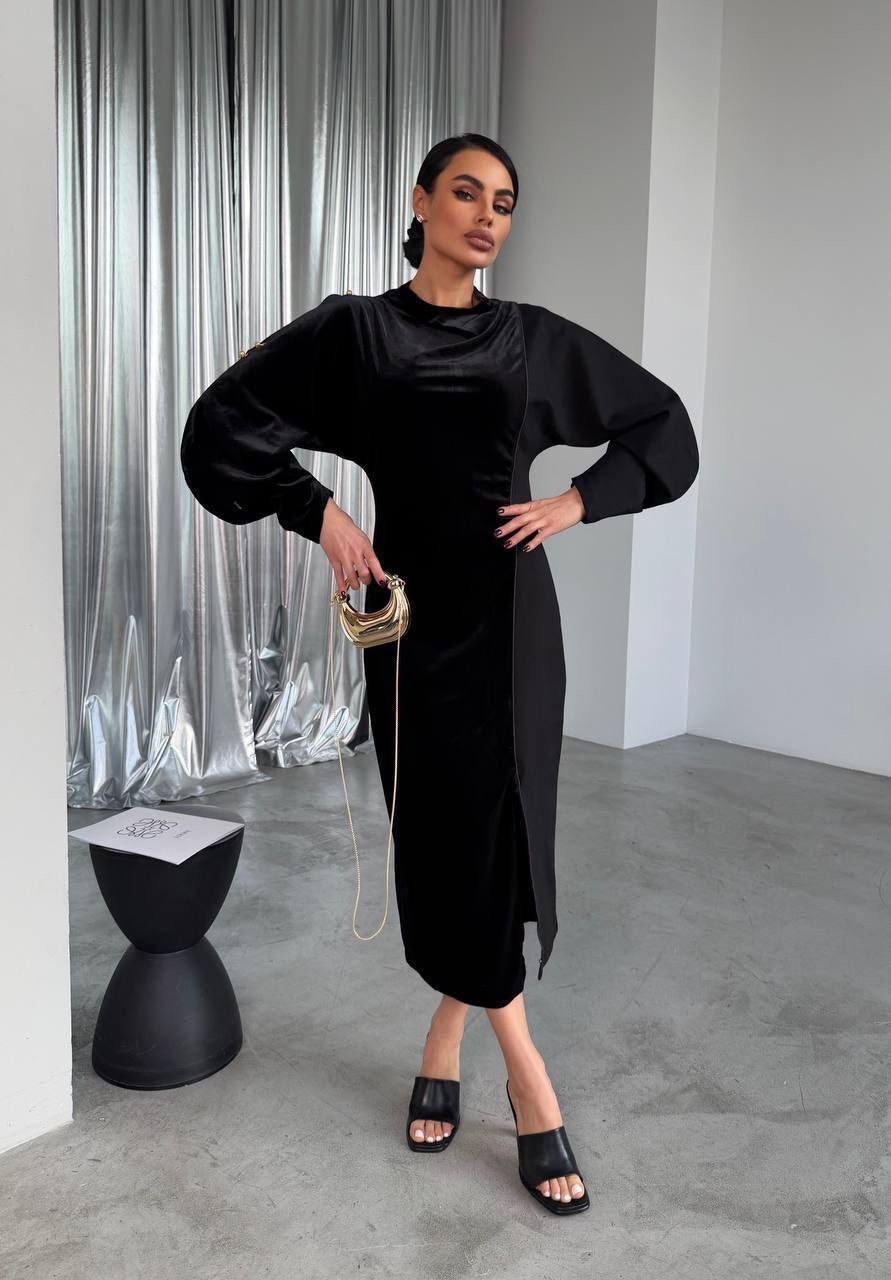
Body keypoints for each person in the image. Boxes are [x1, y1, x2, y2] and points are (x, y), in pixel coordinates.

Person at [180, 132, 699, 1215]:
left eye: (503, 203)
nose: (486, 216)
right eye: (466, 193)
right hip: (412, 629)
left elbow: (664, 427)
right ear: (420, 202)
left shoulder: (530, 339)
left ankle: (510, 1068)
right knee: (443, 833)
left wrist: (577, 501)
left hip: (514, 627)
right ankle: (472, 1046)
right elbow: (219, 428)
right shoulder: (355, 333)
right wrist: (317, 510)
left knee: (498, 834)